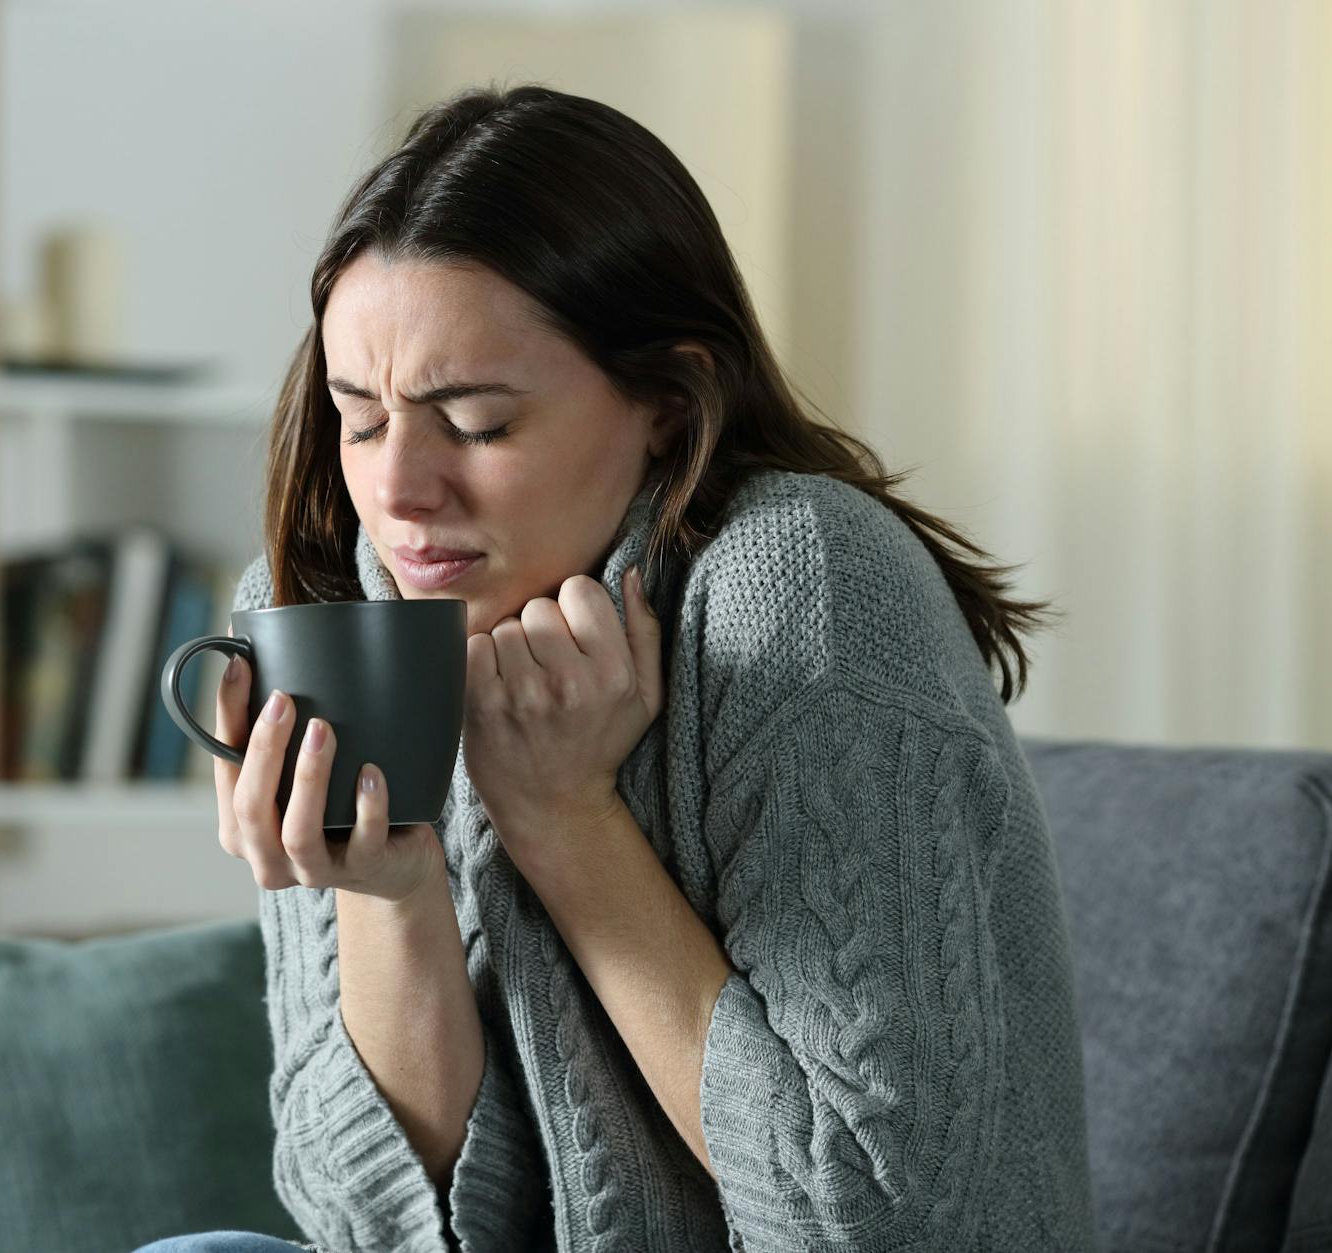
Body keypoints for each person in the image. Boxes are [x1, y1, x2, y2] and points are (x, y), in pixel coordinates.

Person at [140, 82, 1097, 1253]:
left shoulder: (799, 584)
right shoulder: (321, 608)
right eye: (359, 417)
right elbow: (360, 1227)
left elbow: (866, 1222)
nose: (396, 492)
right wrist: (388, 889)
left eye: (477, 423)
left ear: (663, 400)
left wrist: (564, 819)